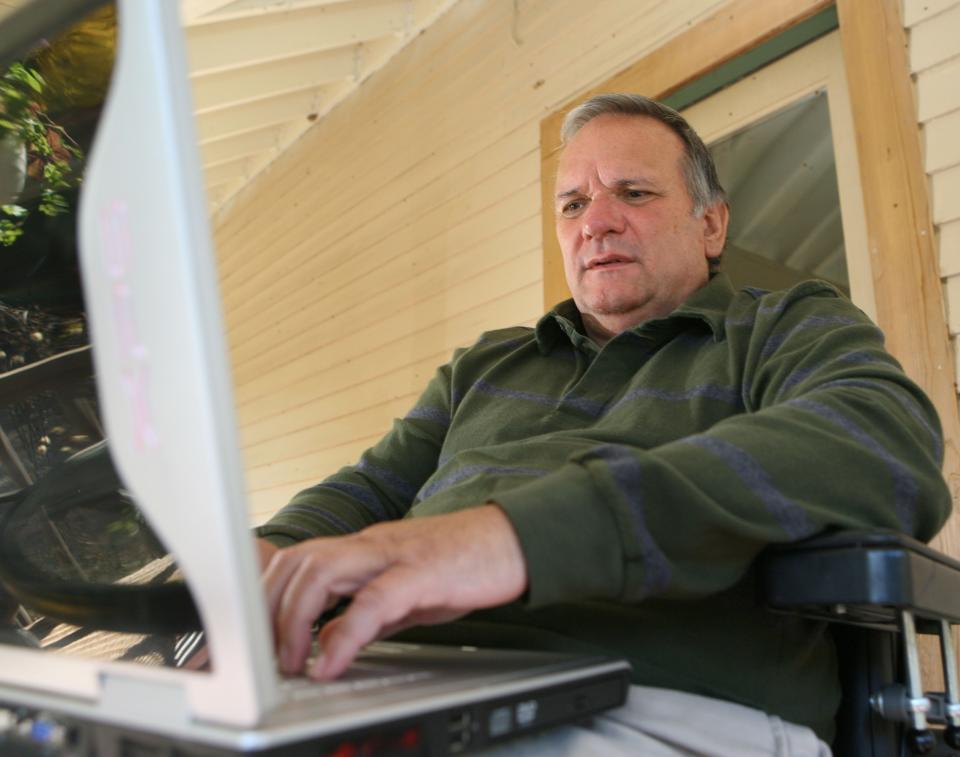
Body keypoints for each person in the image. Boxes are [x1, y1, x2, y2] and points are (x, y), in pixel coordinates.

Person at [254, 94, 951, 755]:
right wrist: (265, 554)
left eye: (634, 193)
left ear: (711, 224)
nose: (596, 221)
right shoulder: (489, 365)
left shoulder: (780, 327)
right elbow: (371, 487)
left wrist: (514, 539)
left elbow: (880, 439)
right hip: (399, 683)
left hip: (650, 706)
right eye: (574, 203)